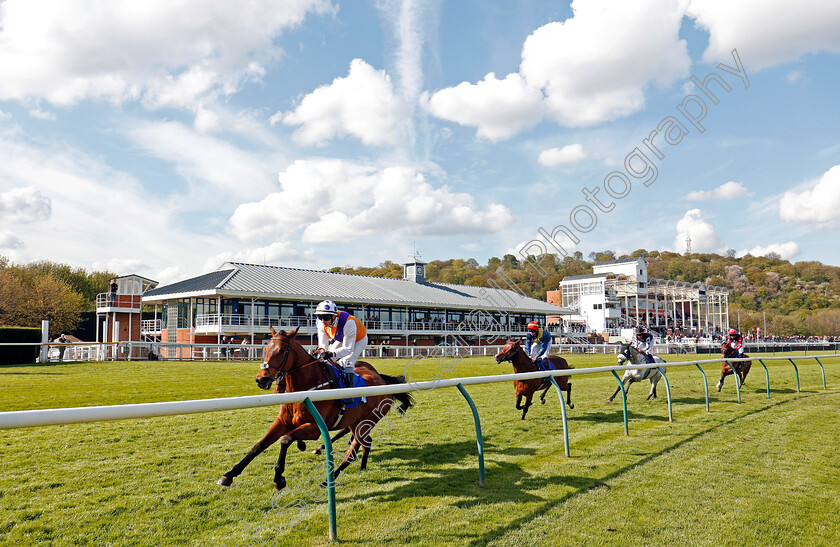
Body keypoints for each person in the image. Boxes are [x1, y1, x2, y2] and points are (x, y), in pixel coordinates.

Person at [314, 300, 368, 387]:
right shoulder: (321, 323)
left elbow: (348, 349)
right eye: (319, 317)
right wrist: (320, 354)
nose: (323, 321)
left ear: (334, 316)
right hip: (342, 338)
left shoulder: (349, 322)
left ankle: (349, 390)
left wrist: (332, 353)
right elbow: (323, 346)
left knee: (347, 360)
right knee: (326, 361)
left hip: (359, 339)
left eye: (325, 317)